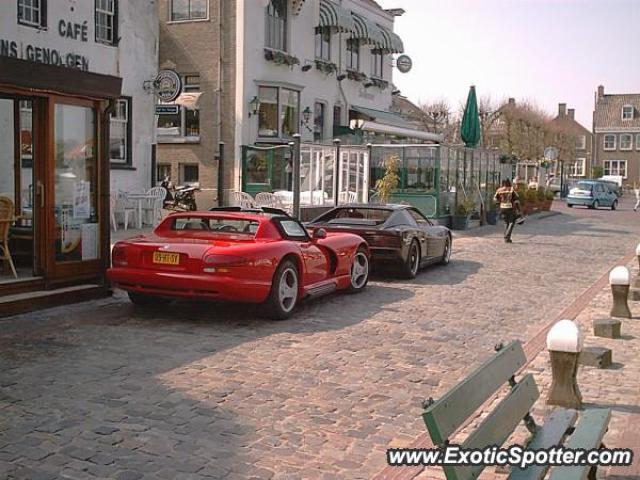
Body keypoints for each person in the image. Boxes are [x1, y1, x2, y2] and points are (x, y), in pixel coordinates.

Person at [494, 179, 521, 243]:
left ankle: (506, 238)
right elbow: (517, 199)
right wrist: (519, 210)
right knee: (511, 222)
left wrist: (500, 202)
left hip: (502, 208)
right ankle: (507, 236)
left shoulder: (499, 190)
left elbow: (495, 199)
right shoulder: (511, 190)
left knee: (506, 222)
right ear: (509, 183)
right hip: (510, 208)